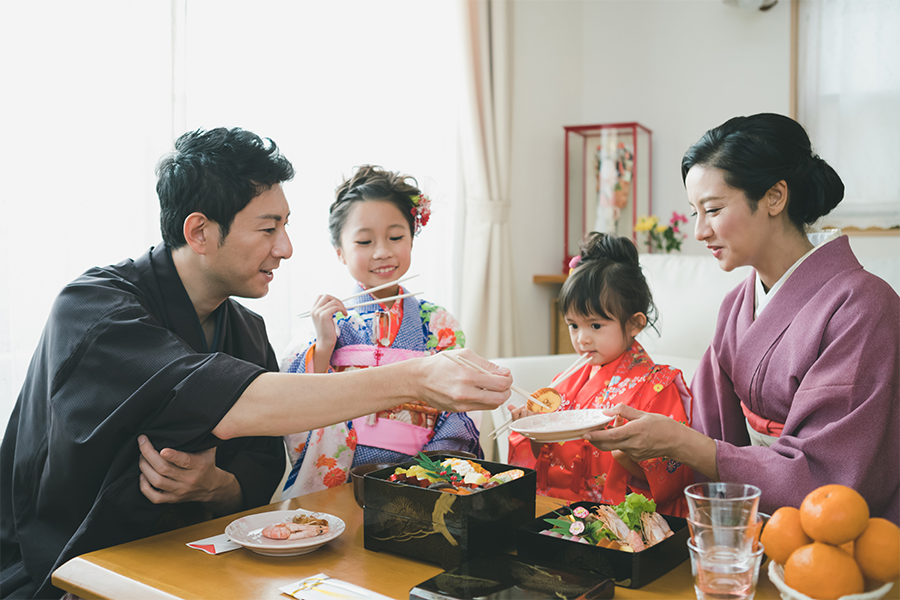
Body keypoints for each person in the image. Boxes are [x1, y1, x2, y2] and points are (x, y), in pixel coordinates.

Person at [0, 129, 511, 600]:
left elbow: (261, 461)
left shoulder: (245, 327)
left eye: (285, 226)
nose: (285, 249)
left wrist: (217, 485)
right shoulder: (94, 307)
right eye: (269, 229)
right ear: (199, 231)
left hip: (201, 560)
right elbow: (234, 402)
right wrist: (415, 376)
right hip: (71, 570)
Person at [583, 113, 900, 524]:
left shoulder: (864, 307)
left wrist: (683, 444)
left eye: (713, 209)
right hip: (746, 521)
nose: (699, 232)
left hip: (835, 531)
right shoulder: (736, 305)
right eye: (695, 213)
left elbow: (831, 475)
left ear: (774, 197)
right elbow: (708, 435)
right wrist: (638, 450)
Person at [280, 165, 481, 498]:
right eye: (364, 241)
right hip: (347, 477)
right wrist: (325, 344)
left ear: (412, 239)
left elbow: (459, 401)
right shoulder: (330, 322)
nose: (382, 251)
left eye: (396, 237)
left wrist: (432, 468)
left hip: (422, 477)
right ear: (340, 251)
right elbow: (295, 400)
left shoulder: (437, 323)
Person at [506, 233, 693, 516]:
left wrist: (627, 454)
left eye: (595, 326)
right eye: (573, 325)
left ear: (634, 324)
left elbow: (674, 475)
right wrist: (532, 432)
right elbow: (544, 461)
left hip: (616, 522)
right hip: (557, 514)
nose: (582, 338)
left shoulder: (659, 387)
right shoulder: (564, 383)